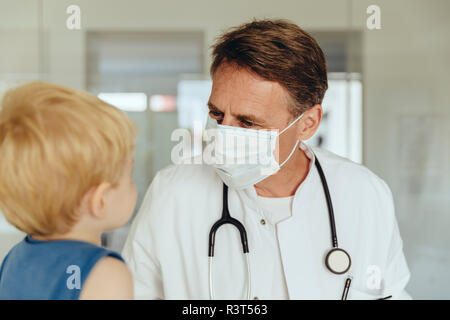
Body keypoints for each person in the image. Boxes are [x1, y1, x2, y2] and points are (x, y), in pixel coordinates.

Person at [122, 19, 411, 299]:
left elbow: (390, 293)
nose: (224, 133)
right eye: (217, 115)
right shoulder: (173, 193)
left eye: (247, 122)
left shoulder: (365, 194)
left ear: (307, 123)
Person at [0, 81, 137, 299]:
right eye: (128, 175)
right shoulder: (106, 274)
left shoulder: (14, 259)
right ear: (100, 200)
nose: (133, 185)